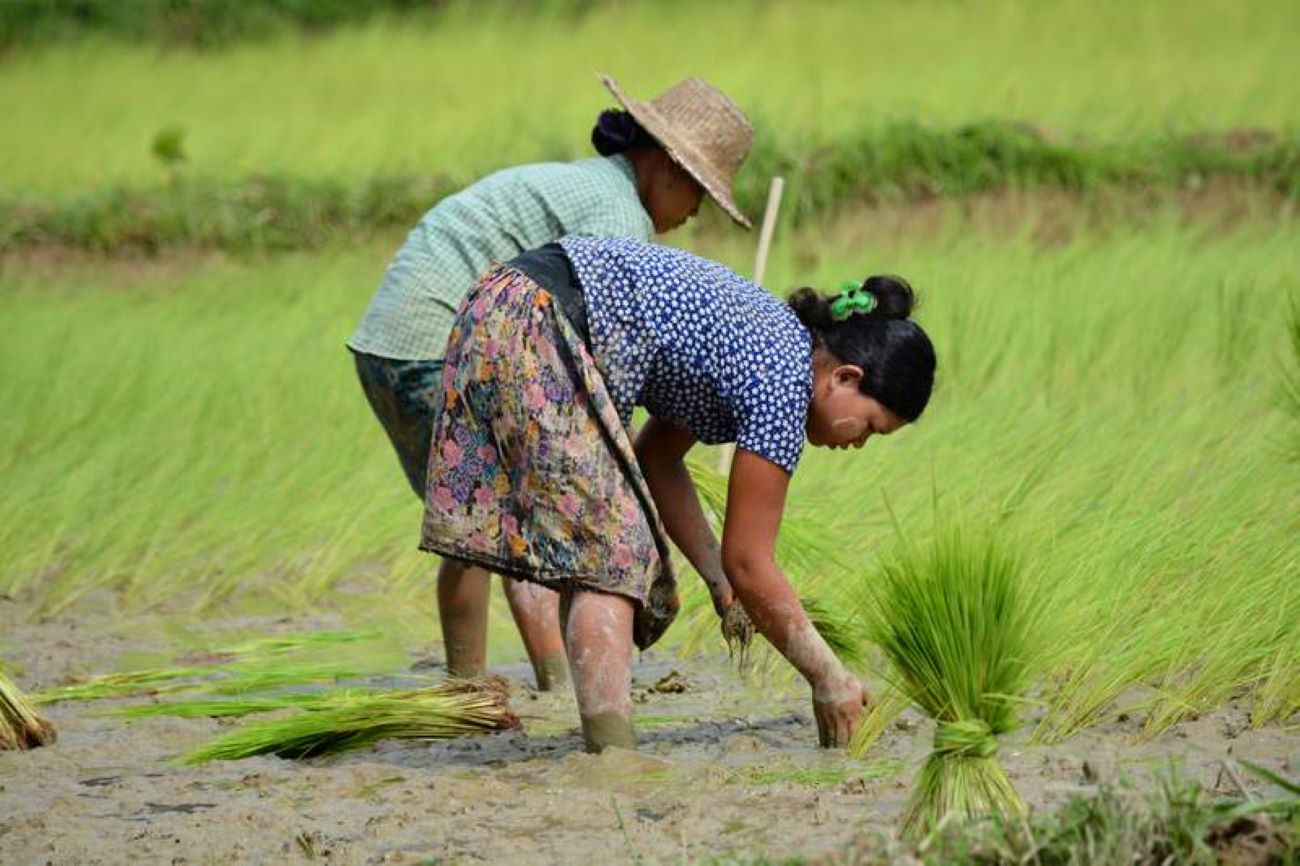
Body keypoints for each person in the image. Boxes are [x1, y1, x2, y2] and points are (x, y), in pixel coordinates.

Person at [419, 235, 937, 752]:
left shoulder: (767, 344)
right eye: (870, 426)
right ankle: (613, 760)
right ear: (845, 378)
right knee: (614, 557)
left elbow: (658, 461)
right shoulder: (785, 381)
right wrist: (829, 678)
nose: (859, 443)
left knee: (600, 545)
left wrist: (717, 581)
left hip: (501, 303)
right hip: (543, 321)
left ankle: (527, 718)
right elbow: (751, 563)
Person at [347, 75, 755, 690]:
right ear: (668, 167)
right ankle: (554, 689)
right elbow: (605, 372)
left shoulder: (598, 187)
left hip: (397, 341)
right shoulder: (618, 217)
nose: (695, 213)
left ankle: (478, 690)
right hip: (432, 338)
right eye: (699, 193)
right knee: (514, 515)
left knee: (478, 518)